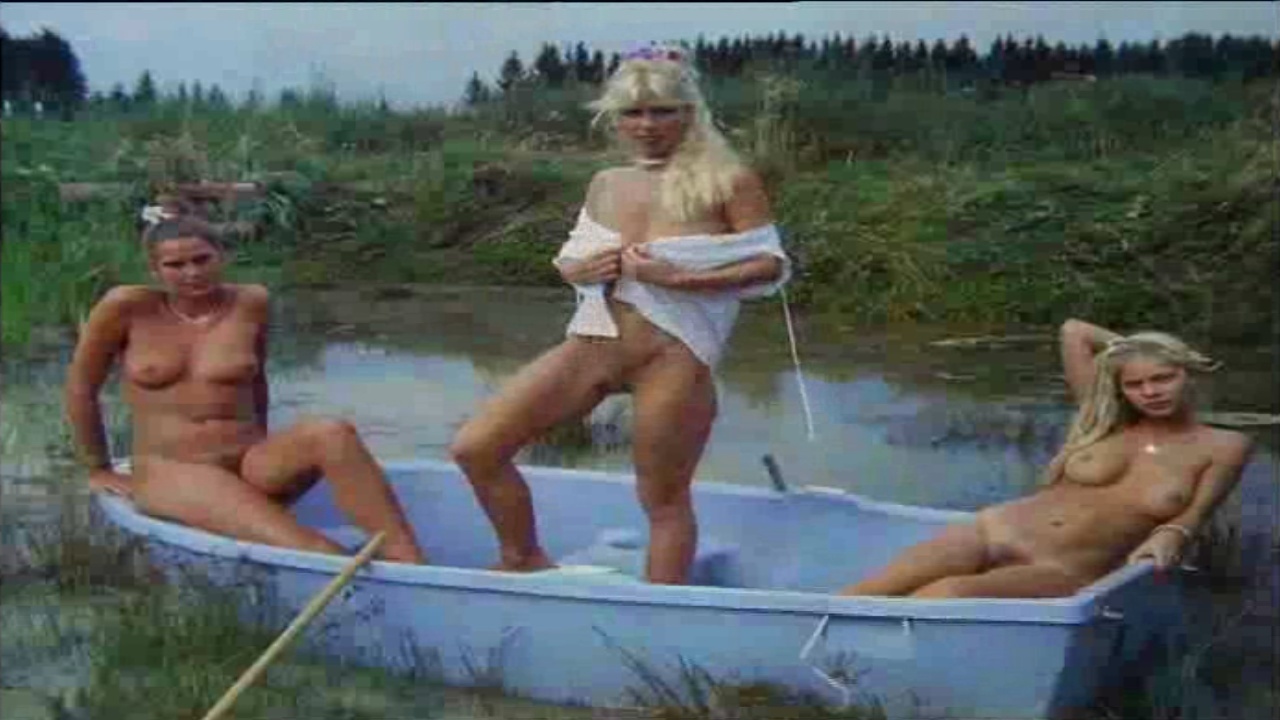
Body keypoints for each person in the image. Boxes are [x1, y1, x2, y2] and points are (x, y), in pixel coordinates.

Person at [449, 44, 793, 584]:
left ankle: (661, 610)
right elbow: (571, 258)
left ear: (690, 113)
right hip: (594, 343)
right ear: (615, 118)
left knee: (663, 498)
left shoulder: (728, 180)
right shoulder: (607, 183)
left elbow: (769, 265)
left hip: (674, 356)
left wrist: (680, 279)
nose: (646, 125)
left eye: (662, 111)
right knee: (477, 447)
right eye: (633, 113)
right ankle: (523, 557)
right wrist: (578, 270)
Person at [64, 208, 427, 564]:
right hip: (175, 470)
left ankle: (410, 563)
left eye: (202, 259)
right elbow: (81, 388)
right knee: (317, 550)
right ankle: (351, 576)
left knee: (331, 433)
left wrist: (271, 449)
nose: (192, 273)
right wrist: (98, 467)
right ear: (154, 270)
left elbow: (256, 382)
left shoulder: (251, 301)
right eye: (175, 265)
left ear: (221, 256)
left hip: (248, 461)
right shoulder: (126, 306)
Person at [840, 318, 1254, 598]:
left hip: (1064, 568)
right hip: (994, 529)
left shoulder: (1225, 445)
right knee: (863, 596)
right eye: (1135, 384)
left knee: (944, 596)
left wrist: (1171, 535)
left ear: (1188, 373)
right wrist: (1134, 352)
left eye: (1164, 377)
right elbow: (1074, 330)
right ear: (1121, 389)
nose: (1150, 391)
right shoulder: (1107, 422)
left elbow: (1192, 517)